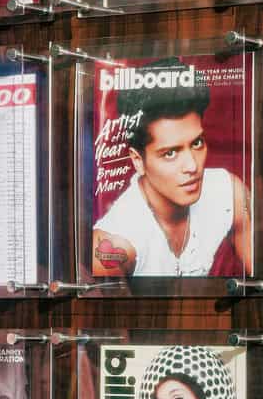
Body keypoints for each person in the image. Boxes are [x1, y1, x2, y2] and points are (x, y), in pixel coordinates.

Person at [92, 58, 251, 278]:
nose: (192, 166)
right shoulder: (117, 241)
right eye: (170, 153)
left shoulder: (228, 194)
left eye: (197, 143)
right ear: (138, 160)